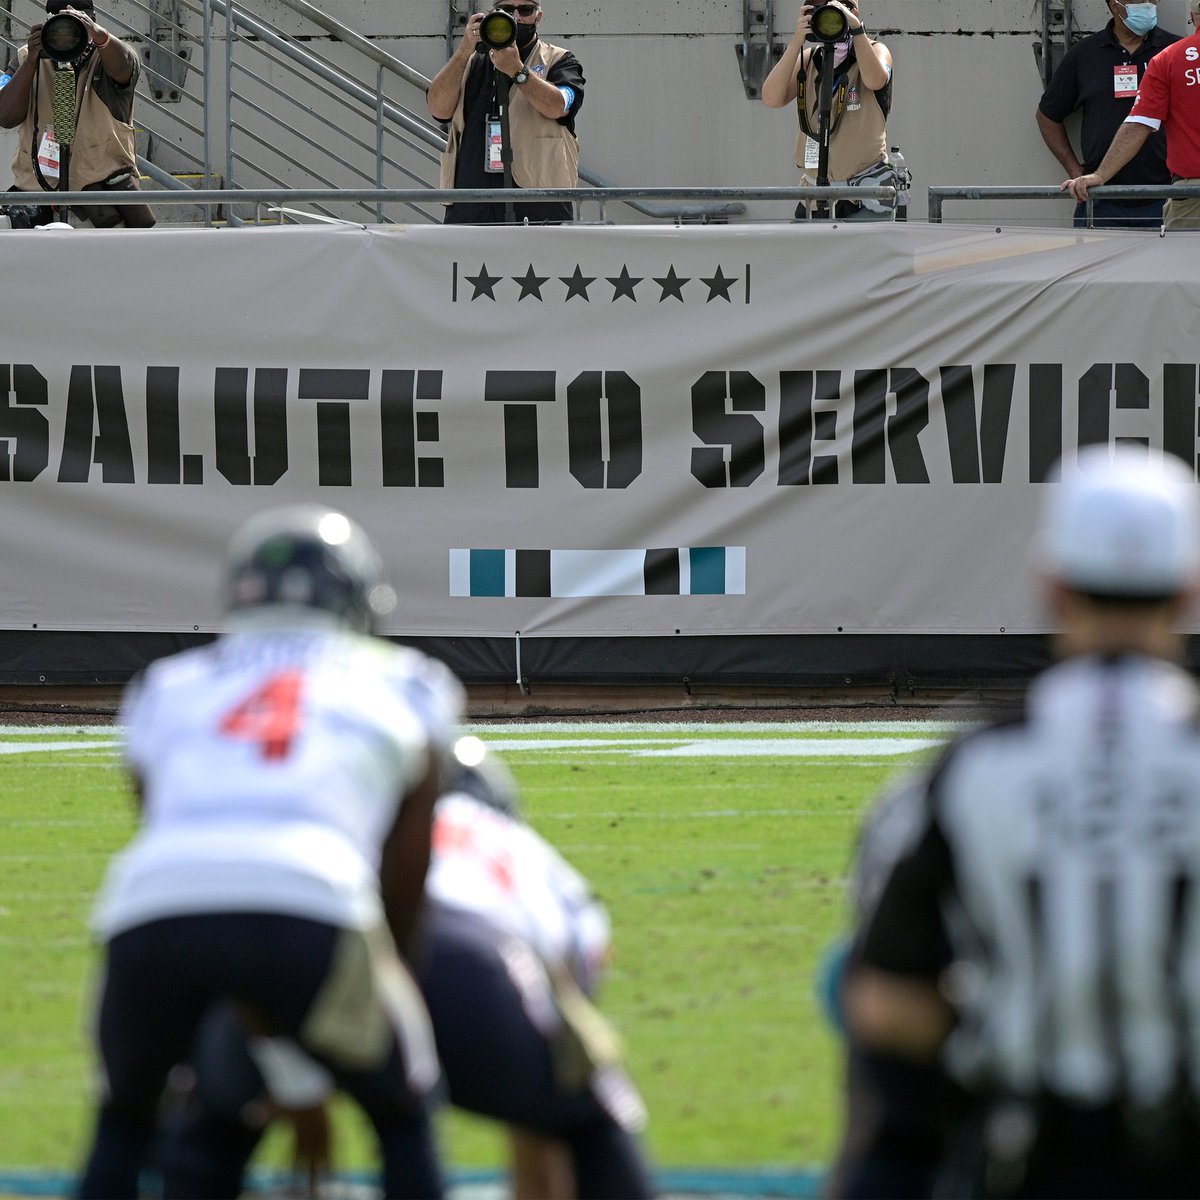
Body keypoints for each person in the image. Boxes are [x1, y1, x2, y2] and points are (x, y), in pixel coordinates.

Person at [76, 504, 465, 1200]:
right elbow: (405, 871)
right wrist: (392, 976)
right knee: (403, 1108)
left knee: (124, 1121)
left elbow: (170, 836)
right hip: (314, 898)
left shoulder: (167, 684)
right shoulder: (410, 680)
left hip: (148, 907)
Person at [844, 444, 1200, 1198]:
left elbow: (887, 1004)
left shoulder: (974, 767)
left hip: (1029, 1154)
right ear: (1188, 588)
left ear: (1054, 585)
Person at [155, 736, 657, 1200]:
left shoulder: (347, 826)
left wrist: (294, 1082)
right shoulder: (529, 857)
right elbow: (567, 1020)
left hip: (311, 951)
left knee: (208, 1127)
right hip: (473, 964)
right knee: (590, 1118)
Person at [427, 2, 584, 226]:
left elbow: (560, 105)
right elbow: (437, 110)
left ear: (538, 17)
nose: (516, 16)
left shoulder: (559, 60)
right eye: (507, 9)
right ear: (492, 14)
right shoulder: (470, 62)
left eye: (525, 10)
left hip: (539, 207)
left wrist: (518, 71)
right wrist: (464, 51)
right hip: (472, 202)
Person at [0, 0, 154, 227]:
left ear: (92, 20)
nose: (65, 36)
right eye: (58, 27)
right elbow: (6, 116)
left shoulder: (109, 55)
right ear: (47, 24)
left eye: (75, 26)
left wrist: (99, 37)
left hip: (98, 199)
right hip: (37, 195)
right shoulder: (27, 57)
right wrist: (32, 60)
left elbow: (124, 69)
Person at [1038, 0, 1179, 228]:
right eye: (1138, 0)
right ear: (1115, 5)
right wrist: (1076, 172)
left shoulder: (1175, 51)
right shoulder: (1084, 54)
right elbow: (1047, 115)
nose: (1148, 5)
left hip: (1166, 196)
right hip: (1100, 198)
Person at [1065, 2, 1200, 230]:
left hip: (1192, 196)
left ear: (1194, 16)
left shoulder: (1168, 59)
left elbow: (1140, 124)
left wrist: (1100, 175)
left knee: (1186, 265)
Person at [761, 1, 895, 220]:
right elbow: (771, 98)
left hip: (862, 197)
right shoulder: (810, 58)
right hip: (814, 197)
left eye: (835, 11)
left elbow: (875, 80)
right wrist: (797, 41)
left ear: (854, 12)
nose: (828, 18)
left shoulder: (875, 50)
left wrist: (856, 29)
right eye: (819, 11)